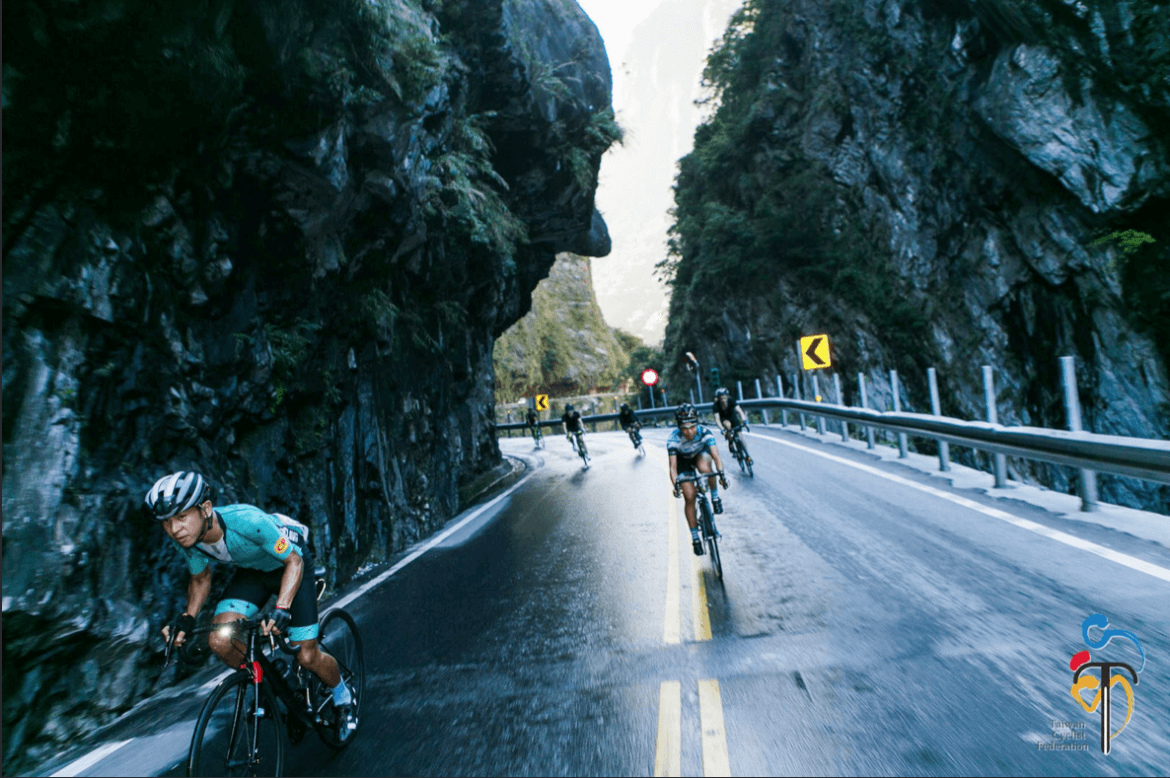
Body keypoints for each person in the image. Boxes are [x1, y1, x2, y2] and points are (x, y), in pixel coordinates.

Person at [149, 471, 357, 738]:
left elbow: (293, 561)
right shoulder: (188, 541)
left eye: (181, 517)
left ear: (206, 509)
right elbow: (201, 579)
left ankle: (342, 694)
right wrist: (188, 618)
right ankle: (270, 680)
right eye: (166, 522)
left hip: (292, 564)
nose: (174, 529)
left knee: (307, 656)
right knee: (220, 640)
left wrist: (282, 608)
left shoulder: (248, 521)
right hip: (253, 570)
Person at [666, 404, 729, 555]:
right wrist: (676, 485)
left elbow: (716, 456)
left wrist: (721, 474)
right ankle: (695, 539)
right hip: (683, 462)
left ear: (697, 424)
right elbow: (673, 468)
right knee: (689, 496)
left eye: (692, 427)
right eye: (684, 428)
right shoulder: (673, 439)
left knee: (706, 469)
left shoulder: (705, 432)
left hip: (701, 454)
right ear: (679, 427)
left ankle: (715, 498)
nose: (689, 432)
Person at [712, 387, 750, 460]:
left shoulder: (731, 401)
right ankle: (730, 442)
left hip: (733, 417)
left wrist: (744, 420)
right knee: (728, 425)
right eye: (721, 398)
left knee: (740, 437)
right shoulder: (716, 406)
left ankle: (747, 454)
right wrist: (722, 429)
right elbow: (717, 419)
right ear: (718, 399)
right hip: (724, 419)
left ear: (727, 396)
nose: (723, 400)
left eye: (724, 397)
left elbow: (740, 411)